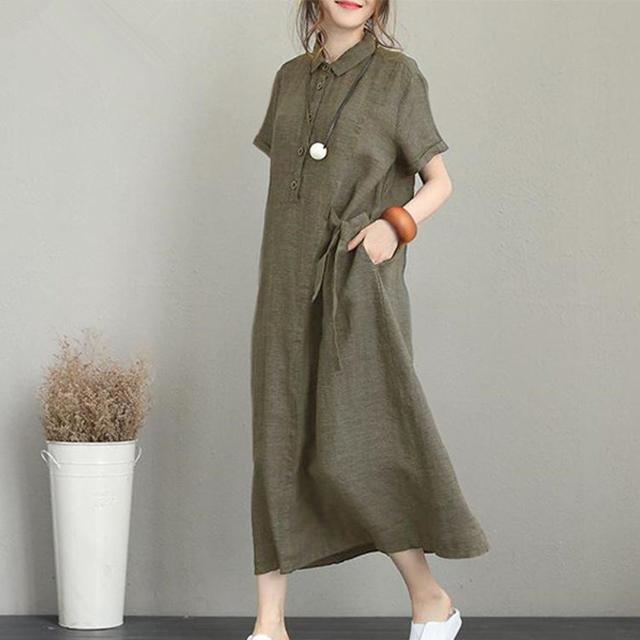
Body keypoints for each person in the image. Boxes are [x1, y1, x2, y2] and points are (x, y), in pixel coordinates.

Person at [248, 2, 489, 639]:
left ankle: (430, 598)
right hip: (283, 285)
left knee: (360, 443)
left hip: (357, 283)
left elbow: (439, 182)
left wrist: (394, 224)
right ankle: (269, 624)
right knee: (278, 438)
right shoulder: (289, 80)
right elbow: (293, 186)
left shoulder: (397, 76)